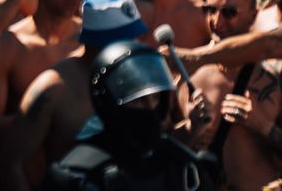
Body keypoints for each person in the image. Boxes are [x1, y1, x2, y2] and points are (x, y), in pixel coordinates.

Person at [42, 40, 222, 189]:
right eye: (139, 101)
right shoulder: (76, 176)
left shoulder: (183, 166)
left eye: (155, 99)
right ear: (110, 103)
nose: (150, 108)